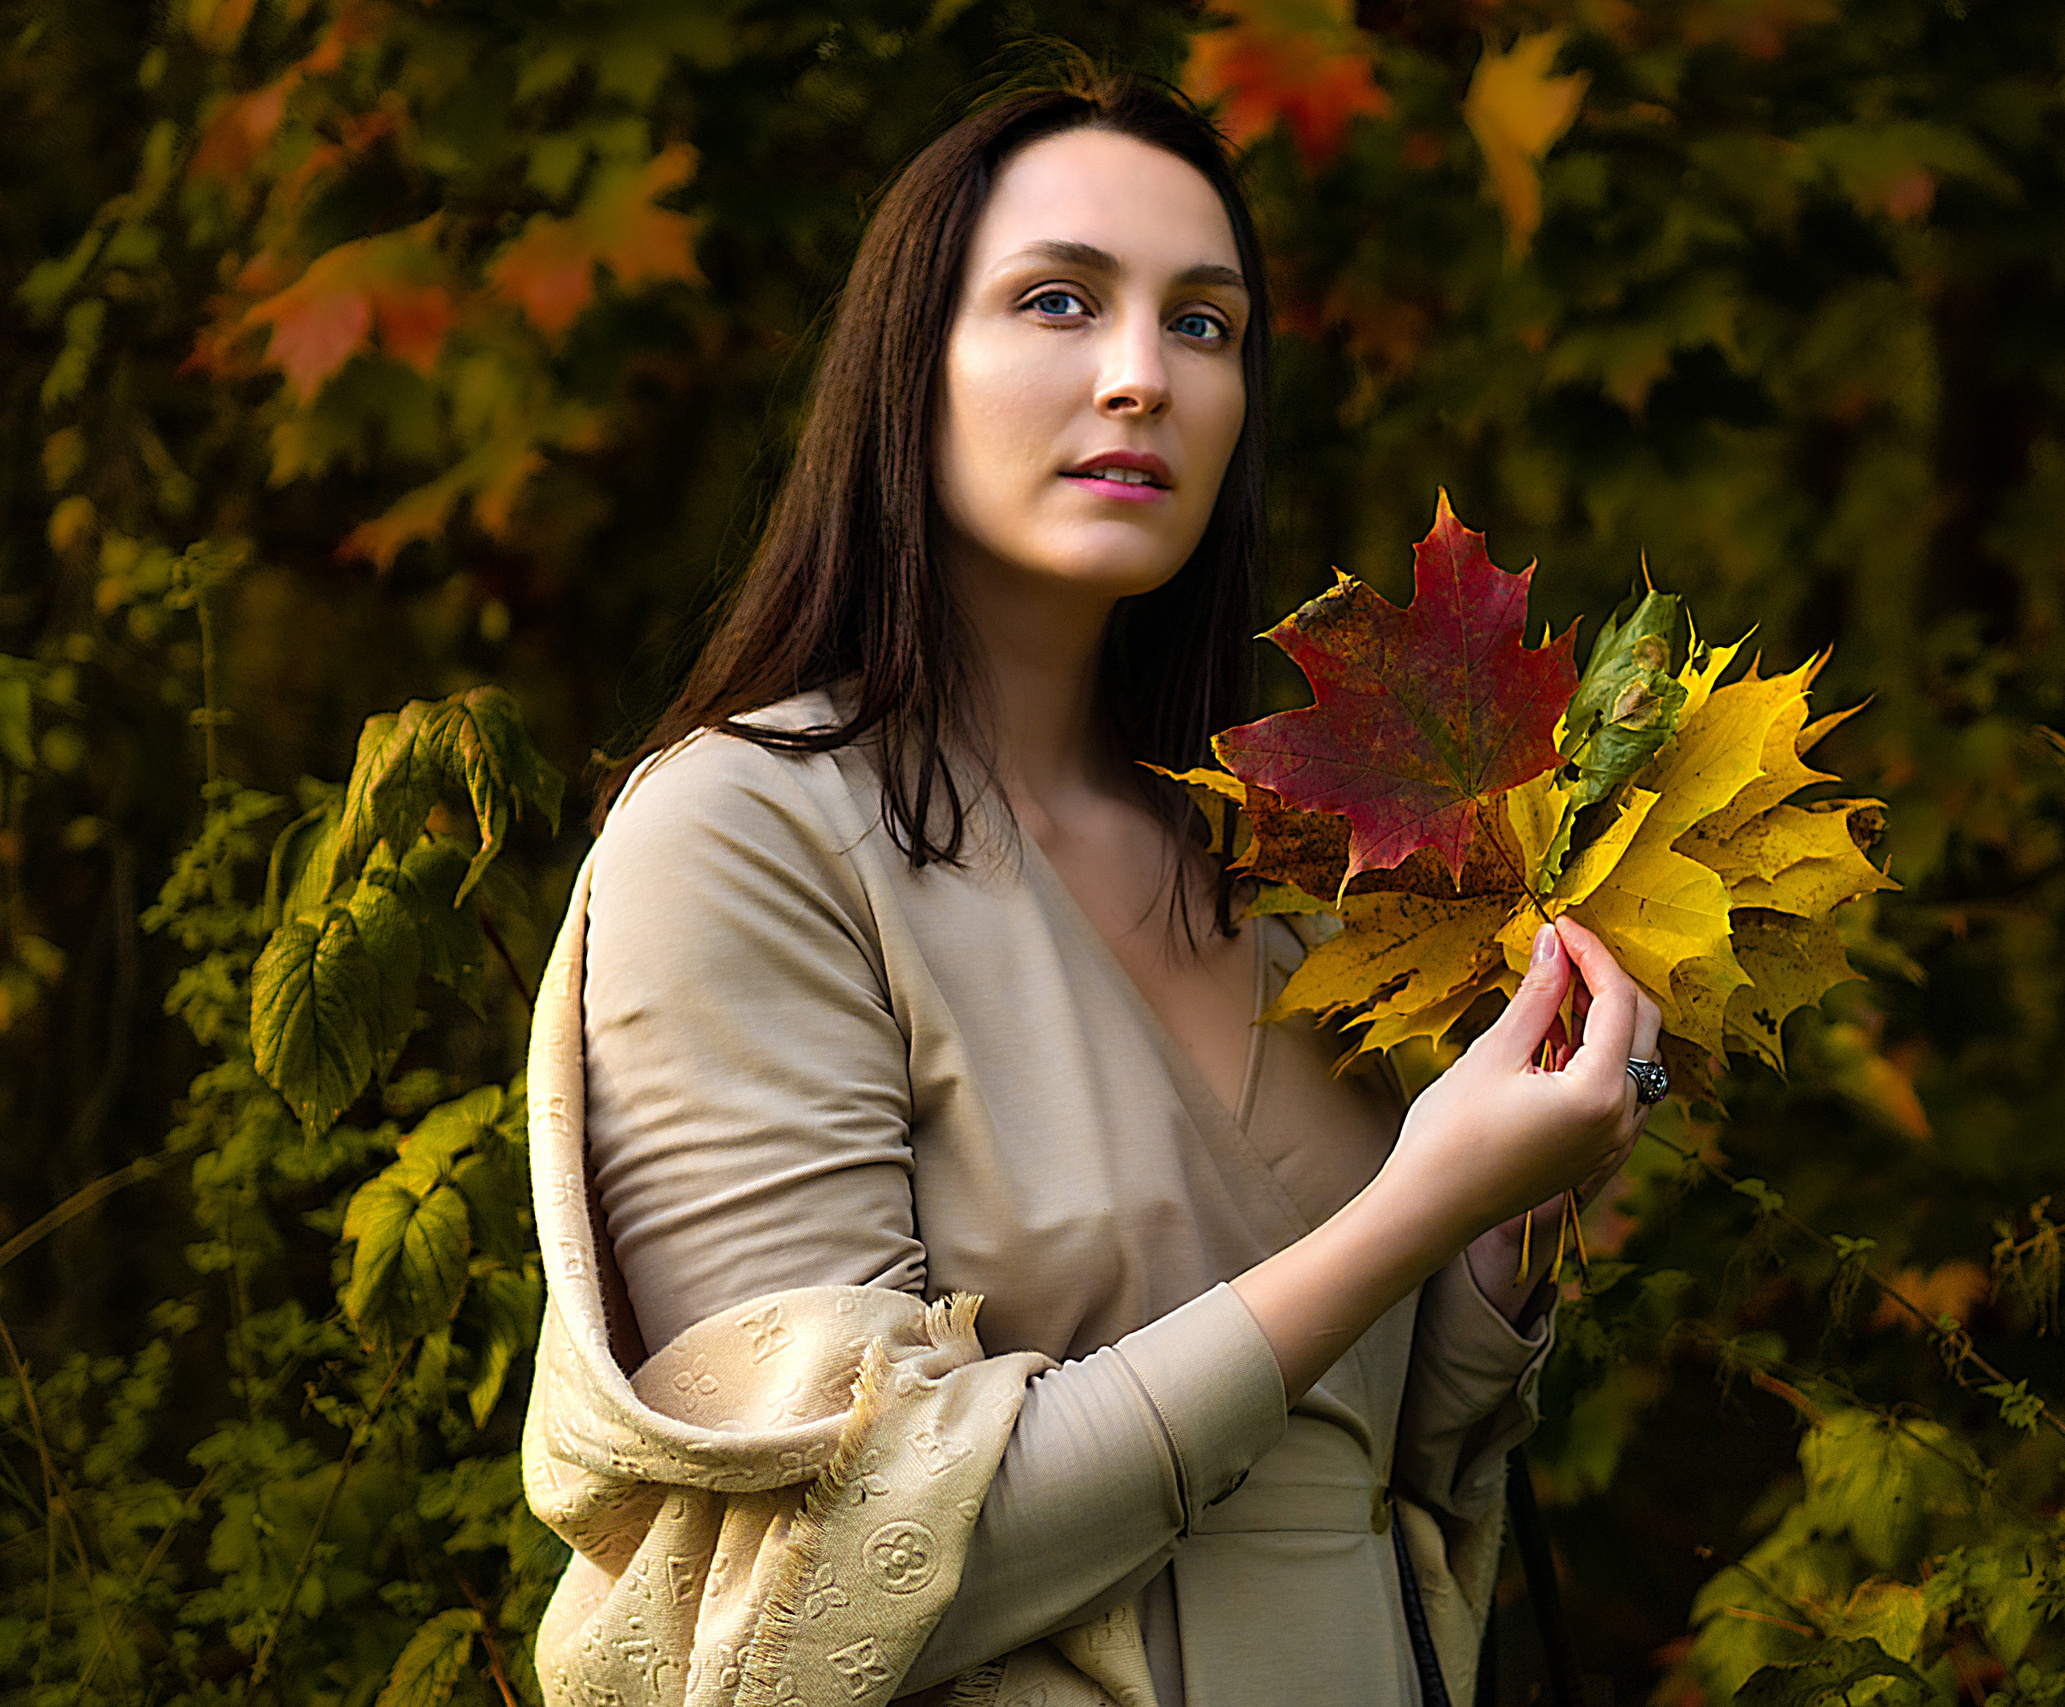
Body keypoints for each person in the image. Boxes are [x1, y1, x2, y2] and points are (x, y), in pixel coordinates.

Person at [534, 67, 1663, 1707]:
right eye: (1059, 301)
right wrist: (1416, 1202)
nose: (1142, 375)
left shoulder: (1290, 863)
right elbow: (828, 1584)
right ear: (906, 373)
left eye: (1203, 326)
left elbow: (1375, 1485)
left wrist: (1508, 1224)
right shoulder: (746, 839)